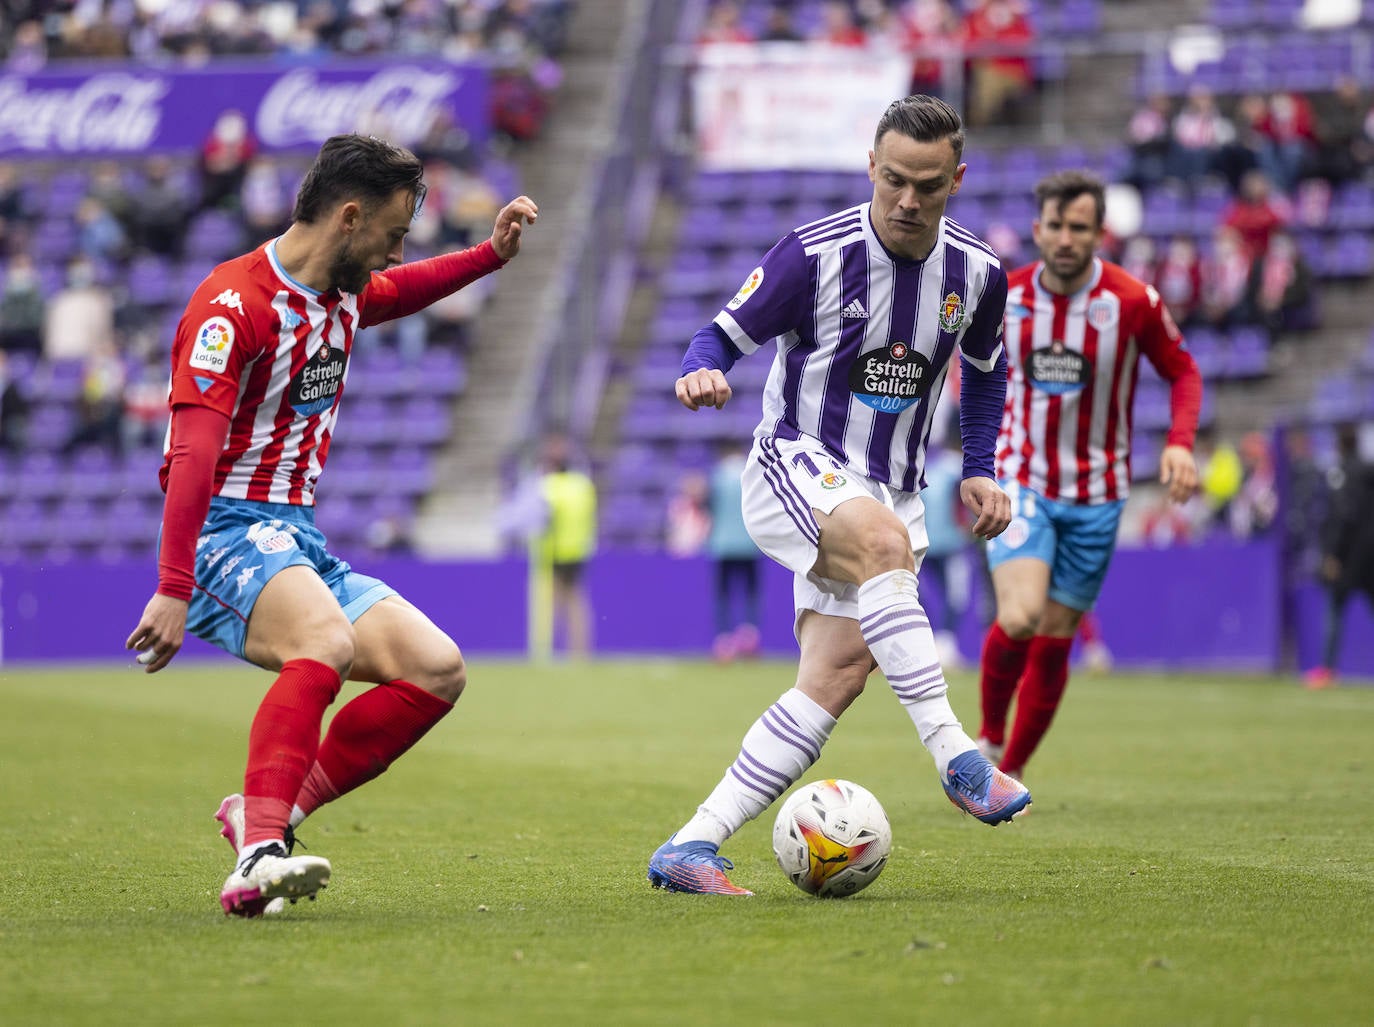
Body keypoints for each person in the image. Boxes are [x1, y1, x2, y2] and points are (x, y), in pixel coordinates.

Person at [123, 134, 538, 917]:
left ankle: (268, 814)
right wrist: (173, 587)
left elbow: (403, 289)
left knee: (436, 667)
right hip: (224, 528)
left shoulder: (342, 293)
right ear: (349, 217)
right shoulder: (233, 304)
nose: (395, 250)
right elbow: (191, 457)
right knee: (325, 643)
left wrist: (489, 256)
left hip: (293, 536)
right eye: (392, 230)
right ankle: (256, 859)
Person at [647, 95, 1030, 897]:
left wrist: (983, 464)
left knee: (835, 676)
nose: (907, 200)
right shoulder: (812, 255)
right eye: (893, 179)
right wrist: (698, 369)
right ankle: (958, 756)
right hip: (798, 459)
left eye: (927, 184)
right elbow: (717, 334)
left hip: (894, 484)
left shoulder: (979, 272)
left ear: (955, 178)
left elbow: (988, 371)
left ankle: (691, 844)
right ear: (871, 167)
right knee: (884, 546)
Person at [975, 170, 1202, 781]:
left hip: (1100, 496)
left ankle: (1010, 773)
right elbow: (969, 372)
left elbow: (1183, 372)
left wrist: (1180, 444)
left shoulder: (1132, 301)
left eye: (1080, 227)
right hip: (1022, 482)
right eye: (1056, 226)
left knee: (1056, 634)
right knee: (1020, 616)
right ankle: (989, 737)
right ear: (1037, 230)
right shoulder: (1007, 298)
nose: (1067, 239)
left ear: (1100, 233)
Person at [1305, 423, 1374, 689]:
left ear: (1339, 446)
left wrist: (1333, 554)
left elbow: (1343, 516)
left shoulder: (1342, 474)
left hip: (1349, 556)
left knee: (1334, 610)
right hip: (1370, 554)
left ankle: (1327, 669)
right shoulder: (1369, 471)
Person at [706, 442, 764, 662]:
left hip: (722, 544)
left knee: (723, 593)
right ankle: (749, 635)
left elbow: (709, 507)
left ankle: (724, 641)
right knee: (751, 591)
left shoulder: (717, 475)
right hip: (749, 543)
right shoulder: (750, 471)